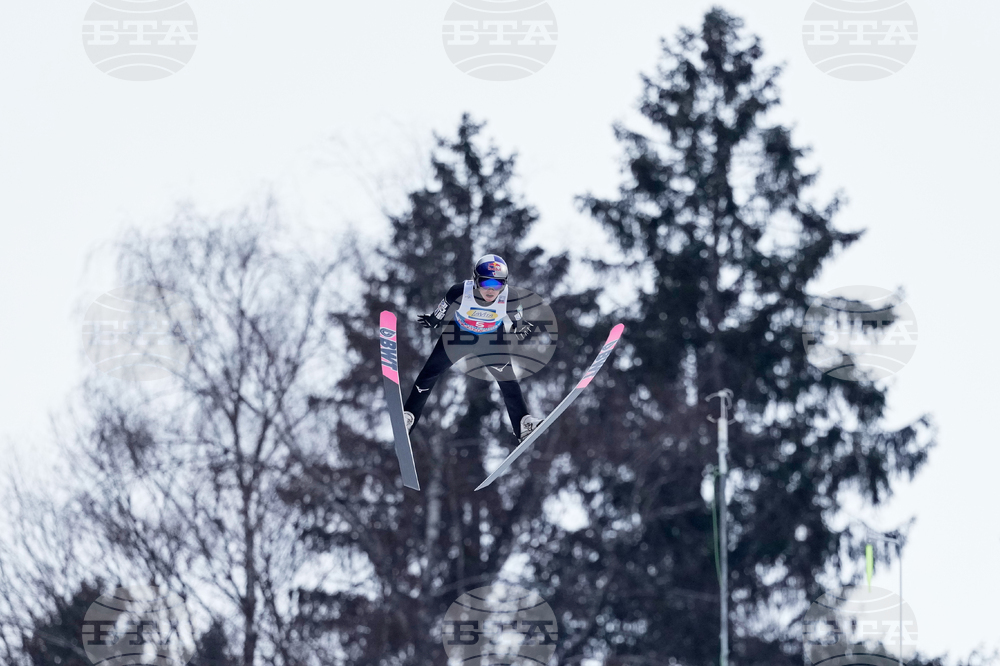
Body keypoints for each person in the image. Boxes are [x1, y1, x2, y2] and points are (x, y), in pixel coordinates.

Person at [403, 254, 543, 442]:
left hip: (491, 339)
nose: (492, 290)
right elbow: (441, 311)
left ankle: (522, 424)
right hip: (459, 335)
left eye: (498, 284)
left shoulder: (510, 297)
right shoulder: (459, 291)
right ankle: (409, 416)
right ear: (476, 280)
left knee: (508, 380)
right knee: (429, 373)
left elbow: (517, 319)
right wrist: (433, 320)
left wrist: (520, 327)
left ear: (505, 283)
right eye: (486, 283)